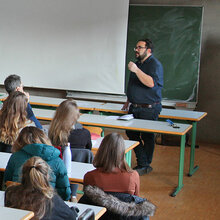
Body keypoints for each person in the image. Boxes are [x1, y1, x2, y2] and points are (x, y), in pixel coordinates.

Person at [122, 39, 163, 176]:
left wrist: (136, 70)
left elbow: (151, 83)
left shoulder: (154, 65)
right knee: (131, 133)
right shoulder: (138, 64)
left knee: (147, 135)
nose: (136, 50)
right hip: (135, 106)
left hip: (149, 108)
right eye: (136, 47)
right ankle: (144, 163)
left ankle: (144, 164)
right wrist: (128, 100)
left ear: (148, 50)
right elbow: (133, 84)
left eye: (139, 47)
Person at [4, 126, 71, 201]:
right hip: (47, 204)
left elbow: (7, 183)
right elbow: (65, 193)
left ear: (19, 141)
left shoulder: (15, 157)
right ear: (44, 139)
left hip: (19, 202)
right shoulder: (57, 161)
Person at [5, 156, 78, 220]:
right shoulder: (51, 199)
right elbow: (71, 217)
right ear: (47, 176)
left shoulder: (10, 192)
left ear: (22, 174)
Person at [48, 99, 92, 202]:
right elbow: (88, 150)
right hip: (77, 171)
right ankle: (73, 195)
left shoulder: (52, 133)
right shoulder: (84, 133)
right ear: (76, 116)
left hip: (56, 173)